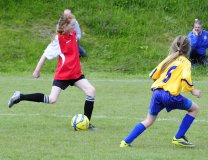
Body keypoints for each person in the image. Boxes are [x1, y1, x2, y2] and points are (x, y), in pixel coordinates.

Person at [8, 13, 96, 129]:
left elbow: (74, 30)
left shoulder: (73, 34)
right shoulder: (58, 40)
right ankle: (20, 96)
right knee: (52, 99)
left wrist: (68, 14)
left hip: (75, 74)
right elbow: (45, 54)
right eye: (73, 25)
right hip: (63, 75)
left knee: (91, 90)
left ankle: (87, 123)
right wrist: (37, 70)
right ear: (65, 26)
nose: (75, 27)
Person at [120, 35, 201, 148]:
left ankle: (125, 142)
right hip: (170, 95)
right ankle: (178, 137)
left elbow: (153, 74)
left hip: (157, 93)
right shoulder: (186, 62)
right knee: (194, 109)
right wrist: (193, 91)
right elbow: (186, 78)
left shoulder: (170, 58)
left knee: (149, 120)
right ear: (188, 49)